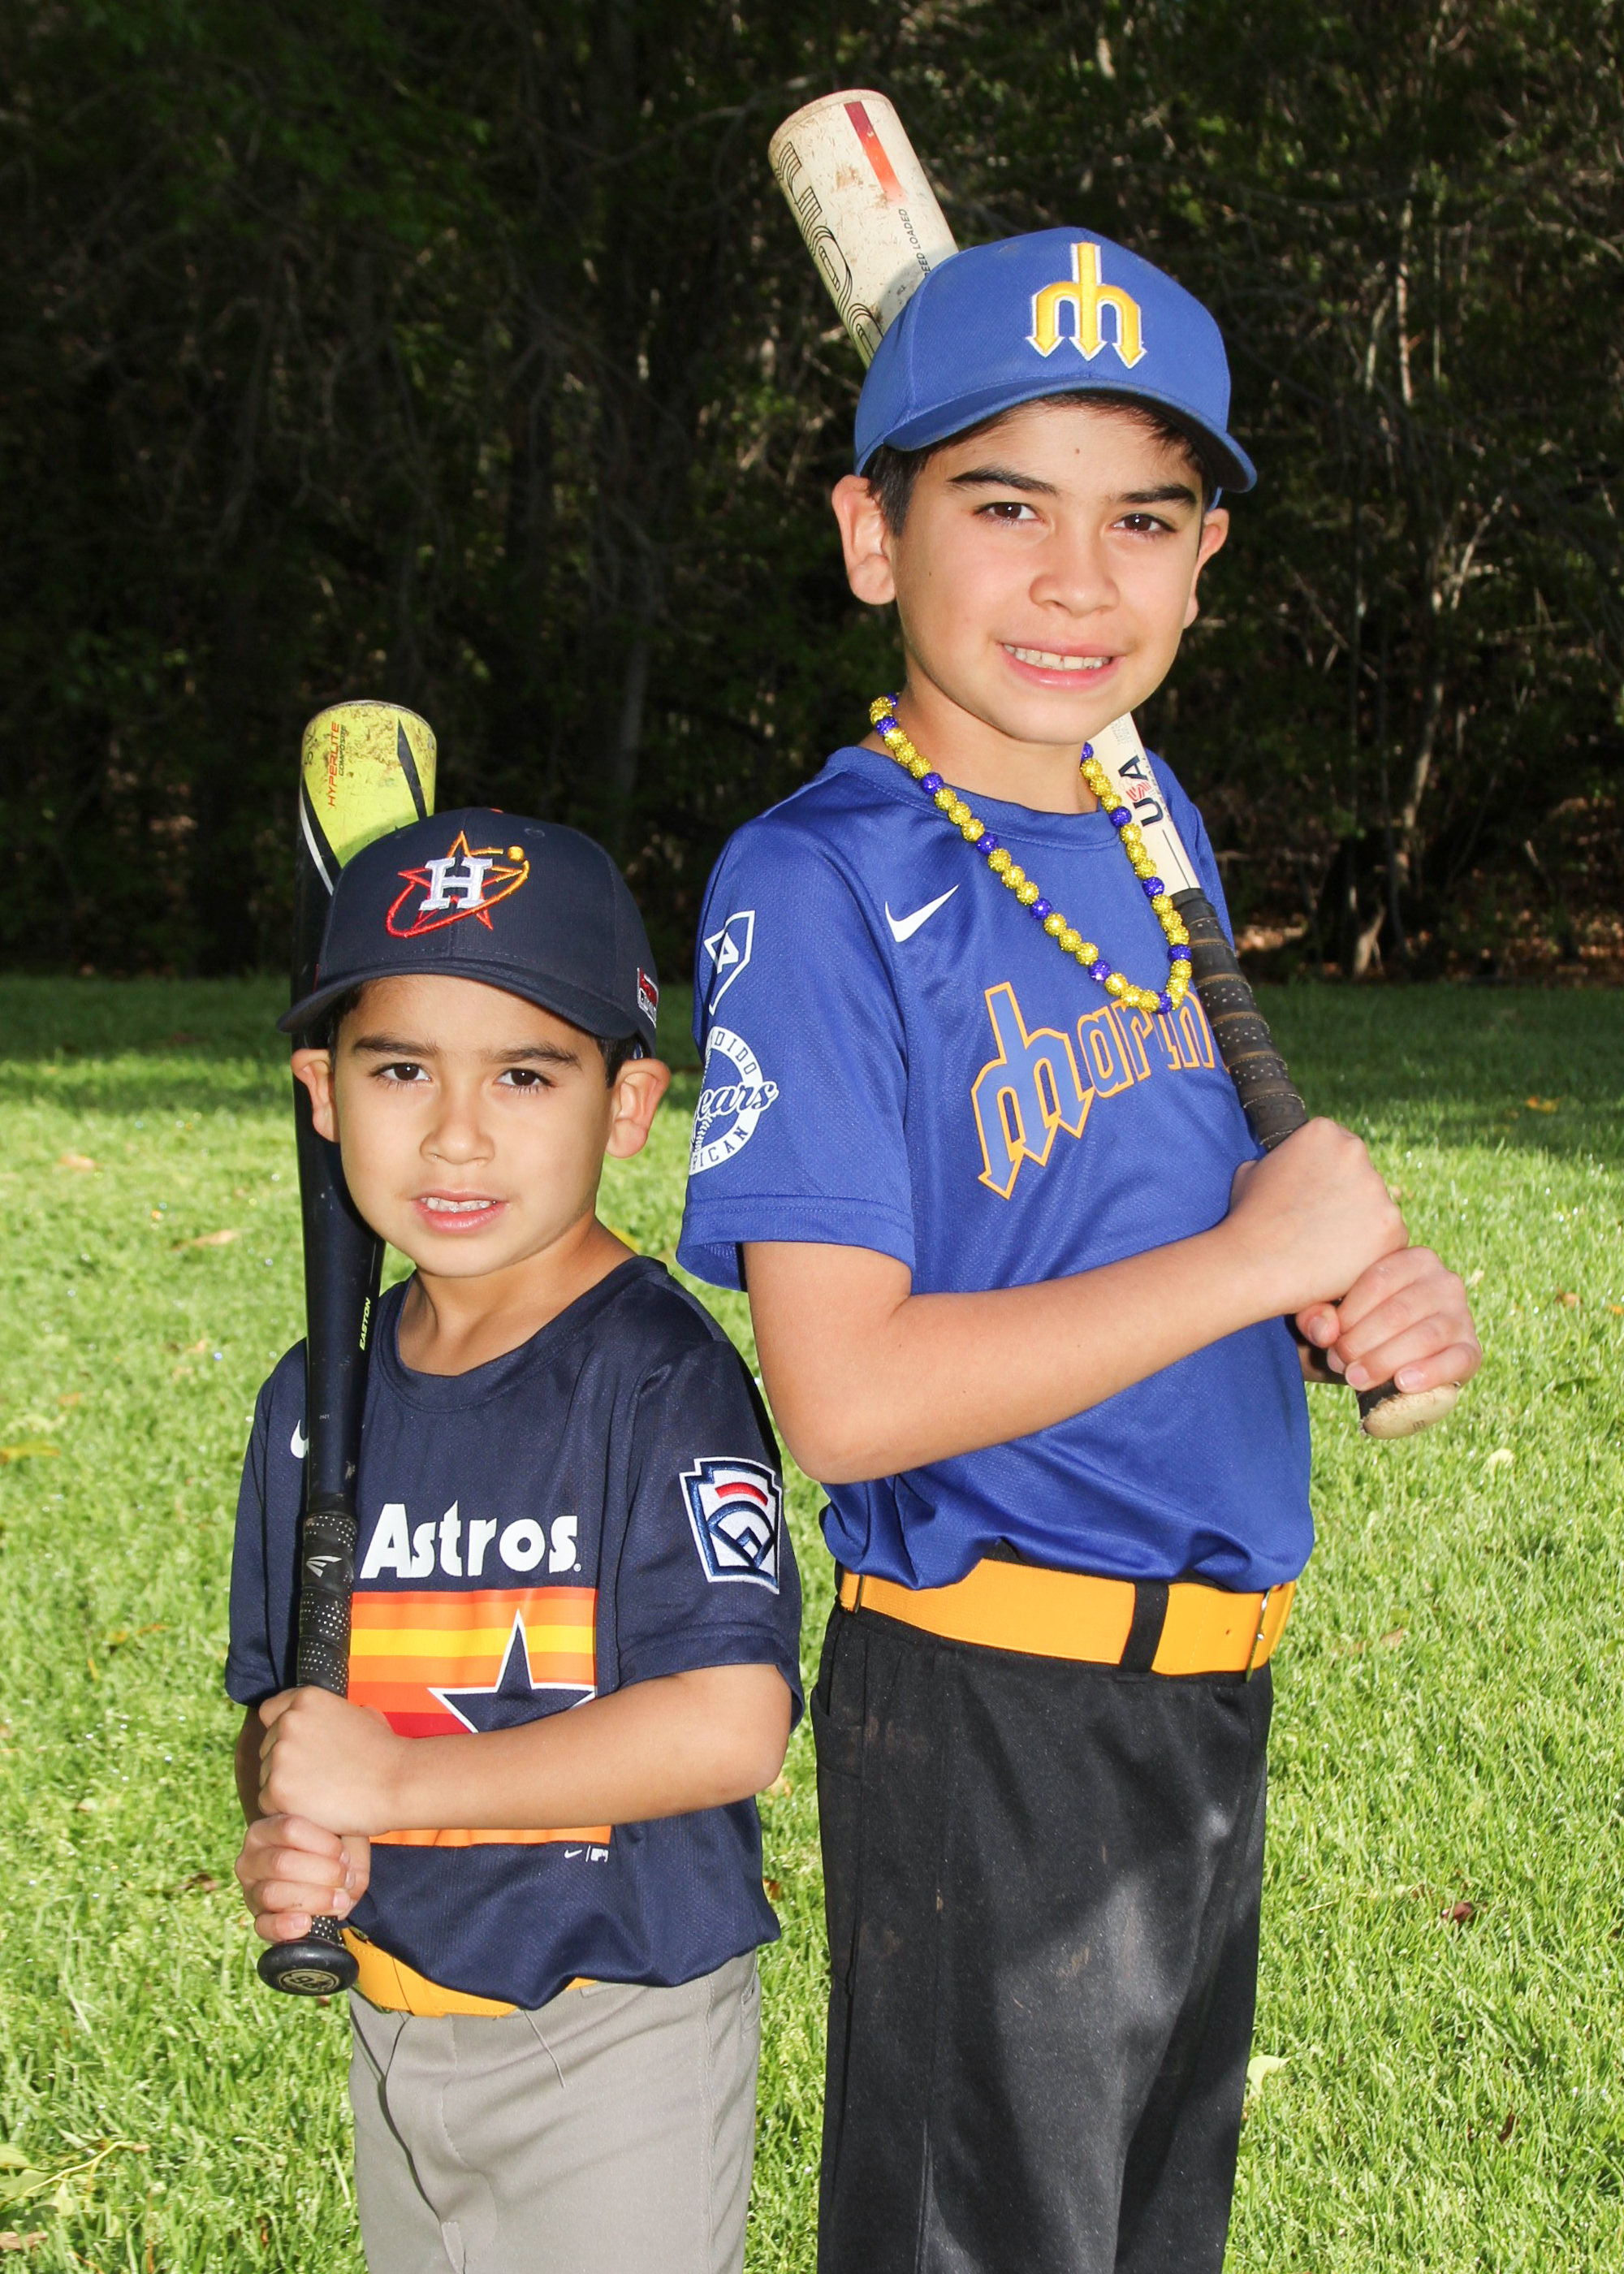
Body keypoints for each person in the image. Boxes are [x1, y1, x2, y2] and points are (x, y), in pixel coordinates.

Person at [676, 230, 1480, 2272]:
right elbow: (843, 1394)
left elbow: (1156, 1216)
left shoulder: (1144, 815)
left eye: (1141, 517)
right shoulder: (819, 880)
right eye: (1003, 504)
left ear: (1203, 560)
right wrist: (1250, 1264)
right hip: (992, 1708)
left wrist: (1332, 1299)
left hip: (1204, 1694)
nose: (1075, 580)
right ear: (872, 536)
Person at [228, 808, 801, 2274]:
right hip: (393, 2013)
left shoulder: (657, 1378)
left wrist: (398, 1784)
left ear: (629, 1104)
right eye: (400, 1069)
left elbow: (730, 1723)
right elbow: (289, 1715)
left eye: (527, 1074)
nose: (457, 1133)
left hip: (616, 2036)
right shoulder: (316, 1402)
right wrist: (290, 1819)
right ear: (321, 1092)